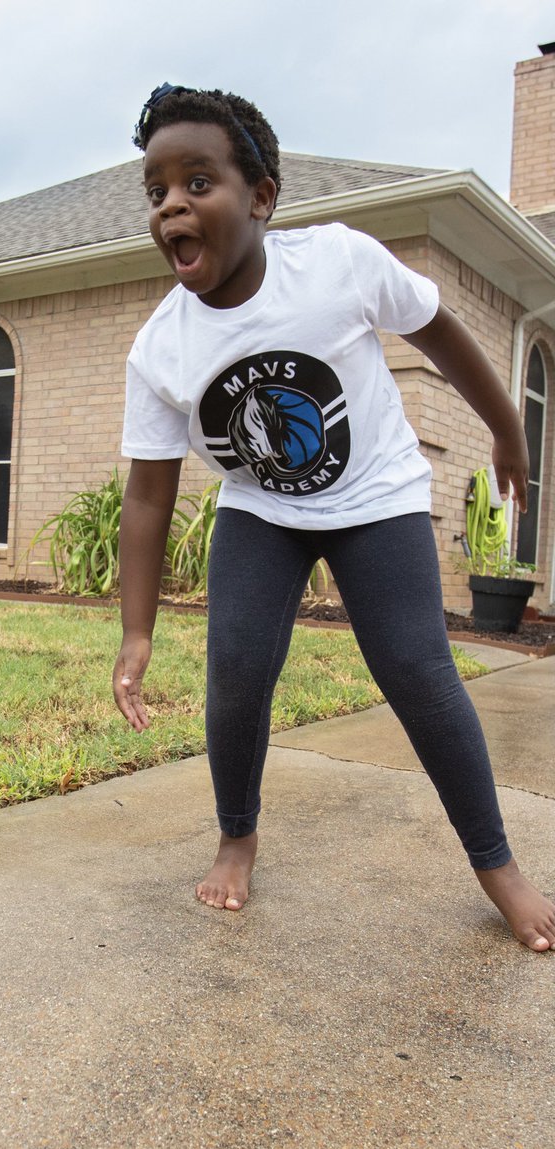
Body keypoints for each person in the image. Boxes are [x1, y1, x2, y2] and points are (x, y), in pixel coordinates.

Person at [112, 83, 555, 953]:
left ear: (262, 199)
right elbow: (148, 496)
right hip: (264, 508)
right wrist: (136, 631)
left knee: (417, 670)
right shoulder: (161, 349)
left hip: (375, 496)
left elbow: (443, 334)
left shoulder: (339, 265)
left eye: (198, 182)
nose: (172, 205)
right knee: (237, 666)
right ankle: (236, 834)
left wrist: (508, 431)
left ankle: (497, 863)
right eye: (156, 190)